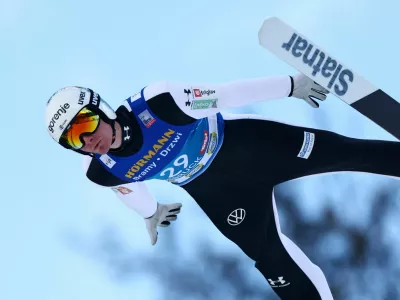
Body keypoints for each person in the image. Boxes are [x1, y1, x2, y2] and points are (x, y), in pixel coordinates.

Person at [45, 73, 400, 300]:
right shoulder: (101, 171)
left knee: (344, 153)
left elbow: (227, 95)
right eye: (73, 140)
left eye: (86, 125)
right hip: (218, 194)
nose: (87, 140)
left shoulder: (160, 102)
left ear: (100, 109)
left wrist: (291, 85)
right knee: (272, 261)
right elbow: (128, 187)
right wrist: (151, 213)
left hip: (250, 147)